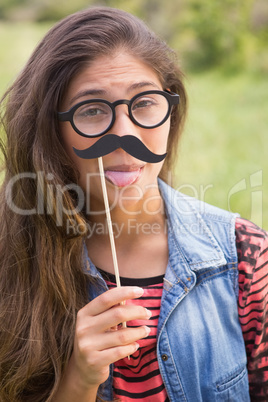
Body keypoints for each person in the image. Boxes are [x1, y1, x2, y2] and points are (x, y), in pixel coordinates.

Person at [0, 6, 267, 402]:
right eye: (92, 110)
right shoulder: (13, 260)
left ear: (170, 112)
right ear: (51, 131)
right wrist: (79, 379)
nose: (124, 134)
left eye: (144, 103)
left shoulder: (246, 256)